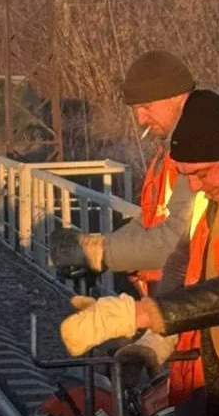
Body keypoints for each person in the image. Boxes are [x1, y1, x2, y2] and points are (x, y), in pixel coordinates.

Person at [58, 89, 219, 416]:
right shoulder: (208, 207)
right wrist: (151, 342)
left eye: (204, 172)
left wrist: (143, 311)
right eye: (190, 174)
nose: (197, 184)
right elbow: (184, 270)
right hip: (211, 360)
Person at [50, 51, 199, 291]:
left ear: (179, 98)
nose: (140, 119)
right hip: (168, 302)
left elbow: (175, 240)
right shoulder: (169, 153)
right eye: (136, 109)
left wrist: (99, 252)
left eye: (147, 107)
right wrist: (97, 249)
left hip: (193, 302)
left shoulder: (201, 153)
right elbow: (148, 222)